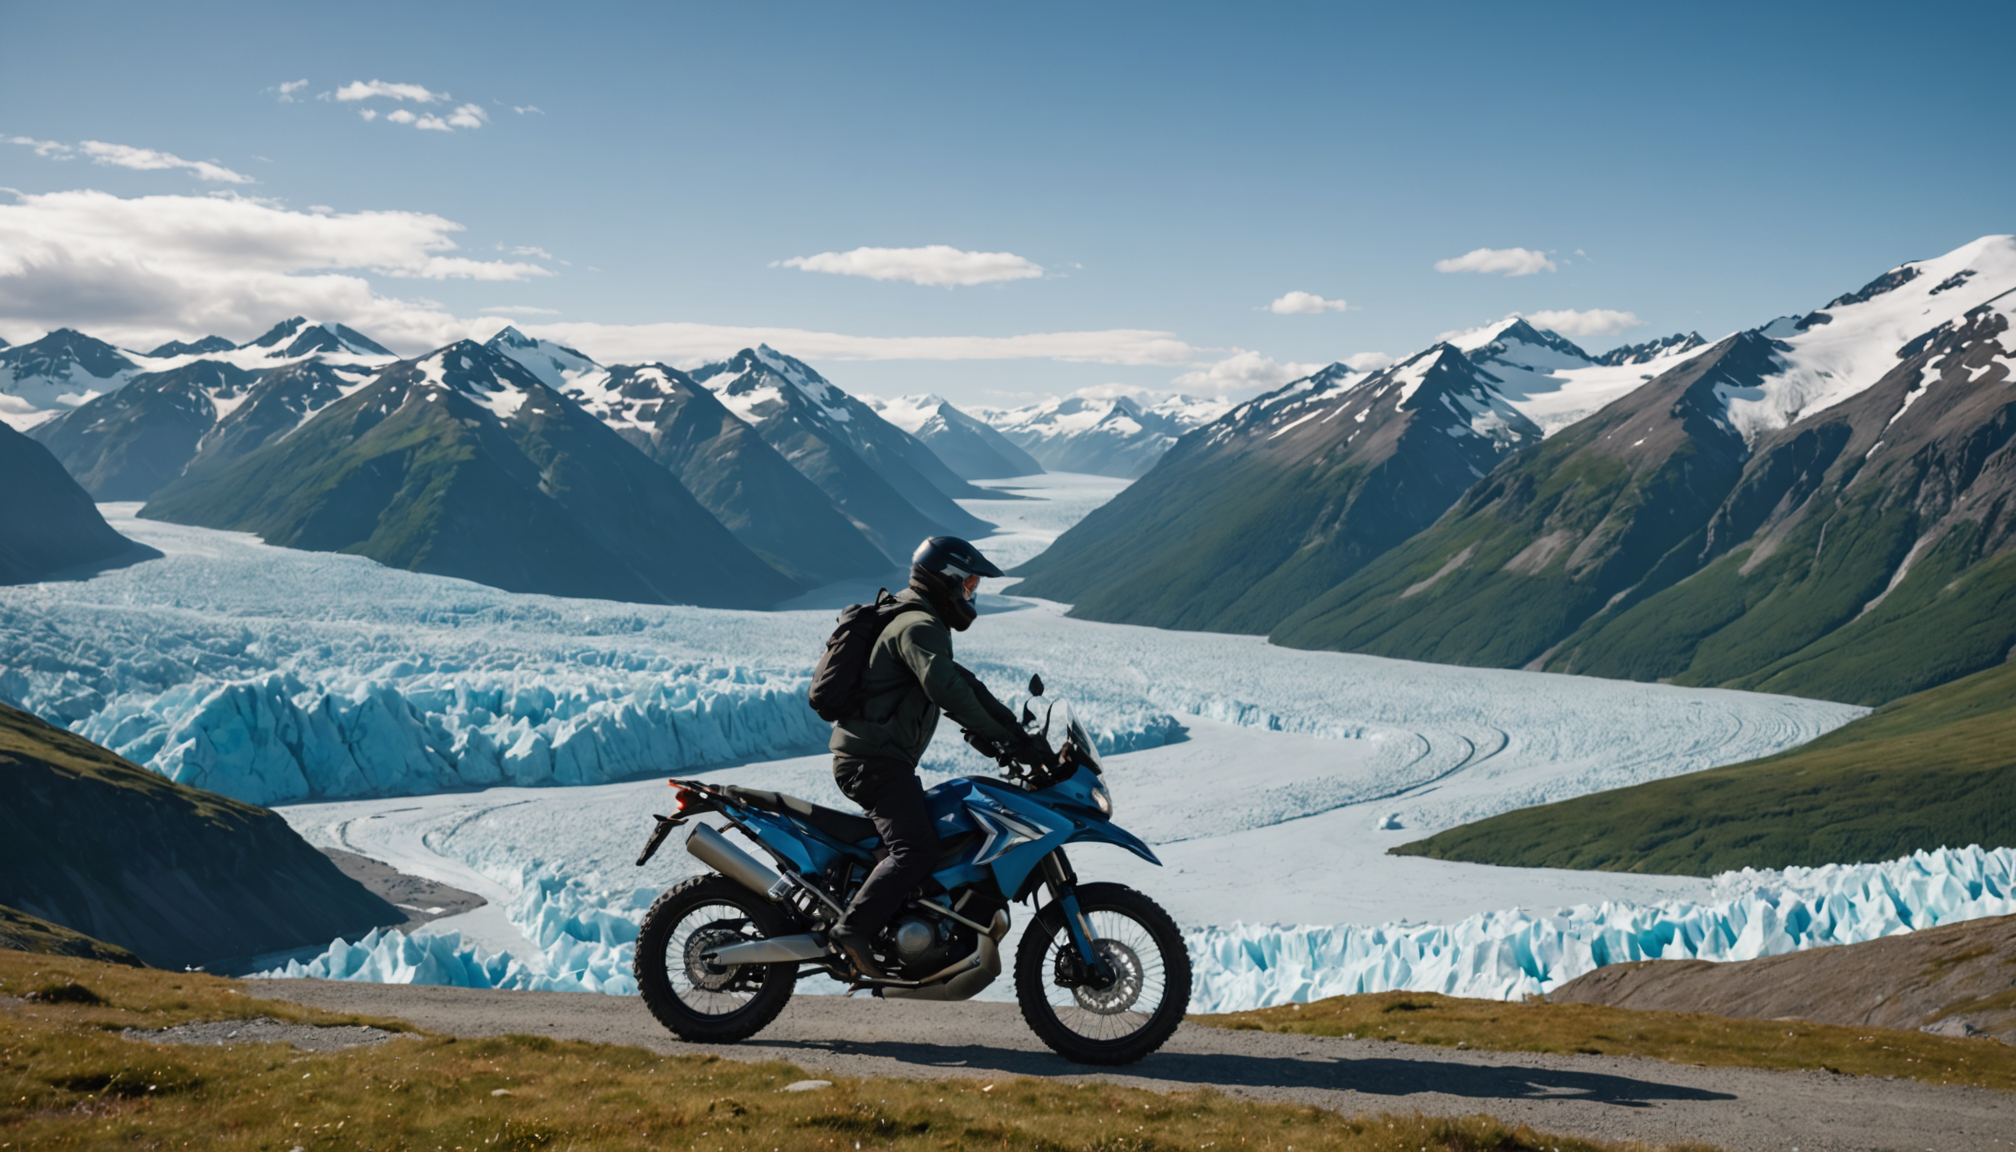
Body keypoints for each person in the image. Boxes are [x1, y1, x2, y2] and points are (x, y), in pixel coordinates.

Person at [826, 536, 1039, 979]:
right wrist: (1007, 740)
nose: (971, 595)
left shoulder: (915, 617)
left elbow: (967, 685)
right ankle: (853, 929)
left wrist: (1014, 736)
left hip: (881, 759)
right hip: (872, 762)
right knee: (916, 849)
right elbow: (948, 689)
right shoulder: (918, 626)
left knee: (931, 837)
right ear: (948, 578)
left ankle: (901, 925)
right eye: (969, 584)